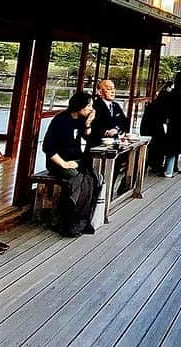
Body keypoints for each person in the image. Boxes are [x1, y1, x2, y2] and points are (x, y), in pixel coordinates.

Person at [42, 91, 103, 236]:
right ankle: (70, 220)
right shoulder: (61, 120)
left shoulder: (82, 120)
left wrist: (88, 124)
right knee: (77, 179)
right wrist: (63, 164)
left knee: (93, 178)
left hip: (76, 161)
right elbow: (48, 147)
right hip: (58, 161)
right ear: (79, 106)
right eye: (88, 106)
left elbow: (88, 140)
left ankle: (77, 218)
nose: (91, 109)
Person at [87, 79, 130, 151]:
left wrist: (116, 129)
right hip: (97, 145)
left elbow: (124, 122)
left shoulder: (116, 105)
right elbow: (92, 124)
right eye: (109, 89)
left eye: (113, 89)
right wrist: (106, 132)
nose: (113, 92)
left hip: (116, 144)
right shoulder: (94, 106)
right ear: (100, 92)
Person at [139, 82, 172, 172]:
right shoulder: (164, 102)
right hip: (153, 128)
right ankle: (156, 164)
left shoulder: (155, 102)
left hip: (147, 127)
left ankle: (153, 163)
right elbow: (164, 117)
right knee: (160, 142)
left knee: (158, 143)